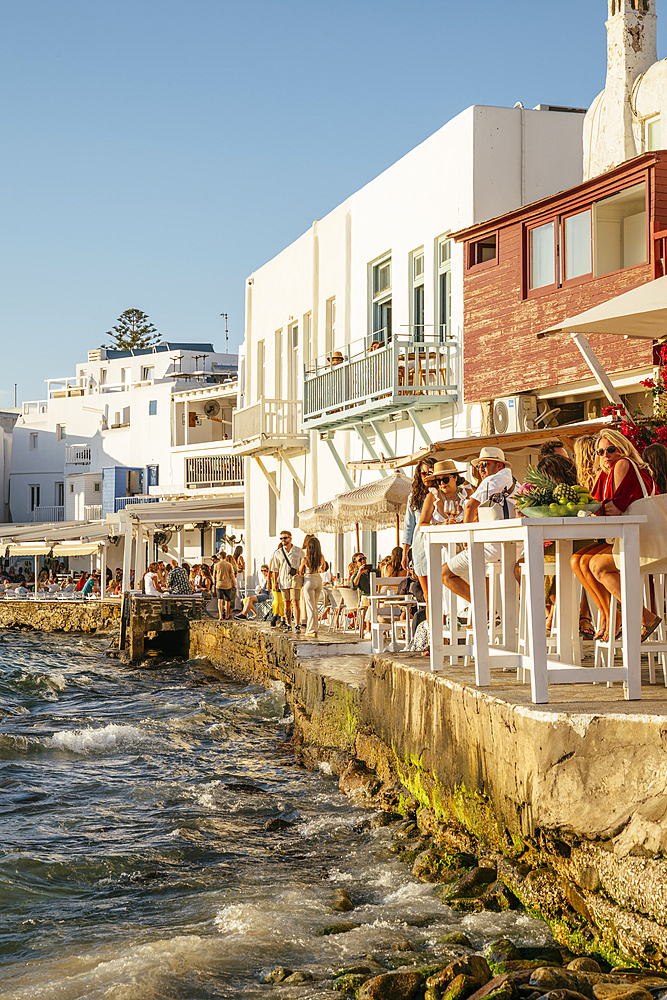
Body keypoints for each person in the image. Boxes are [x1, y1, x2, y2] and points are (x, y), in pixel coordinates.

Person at [572, 428, 661, 642]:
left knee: (597, 566)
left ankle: (644, 617)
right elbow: (595, 504)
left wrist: (590, 508)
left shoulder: (624, 464)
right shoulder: (606, 473)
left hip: (645, 541)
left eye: (610, 450)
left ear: (622, 448)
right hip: (628, 538)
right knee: (578, 561)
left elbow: (613, 508)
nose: (605, 456)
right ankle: (608, 614)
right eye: (600, 452)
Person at [443, 447, 519, 605]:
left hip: (493, 549)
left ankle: (484, 608)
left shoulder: (492, 481)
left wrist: (465, 538)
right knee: (481, 571)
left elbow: (470, 506)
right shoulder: (516, 483)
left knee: (444, 573)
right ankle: (489, 613)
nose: (481, 469)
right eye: (479, 466)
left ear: (499, 466)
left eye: (484, 464)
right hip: (514, 549)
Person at [402, 458, 436, 611]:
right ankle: (433, 633)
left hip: (439, 547)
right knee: (428, 596)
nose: (427, 476)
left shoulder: (443, 493)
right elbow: (408, 527)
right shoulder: (414, 497)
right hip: (420, 548)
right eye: (423, 473)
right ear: (419, 474)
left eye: (430, 472)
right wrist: (404, 554)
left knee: (443, 594)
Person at [270, 530, 304, 633]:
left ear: (290, 538)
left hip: (295, 580)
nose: (283, 540)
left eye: (285, 538)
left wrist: (301, 573)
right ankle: (288, 624)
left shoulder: (298, 551)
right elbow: (275, 569)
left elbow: (304, 563)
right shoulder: (278, 553)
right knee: (287, 604)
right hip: (283, 581)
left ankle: (297, 624)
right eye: (281, 538)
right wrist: (274, 582)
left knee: (296, 602)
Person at [299, 537, 325, 638]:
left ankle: (311, 630)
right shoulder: (321, 557)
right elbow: (323, 568)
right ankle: (315, 628)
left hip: (309, 580)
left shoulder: (305, 559)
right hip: (318, 580)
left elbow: (300, 571)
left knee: (310, 607)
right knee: (315, 606)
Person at [213, 555, 236, 620]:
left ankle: (220, 616)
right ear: (225, 557)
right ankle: (227, 615)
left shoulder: (216, 565)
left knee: (220, 600)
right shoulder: (229, 565)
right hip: (227, 585)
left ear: (219, 557)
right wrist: (234, 584)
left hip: (219, 584)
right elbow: (232, 575)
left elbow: (214, 575)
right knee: (227, 600)